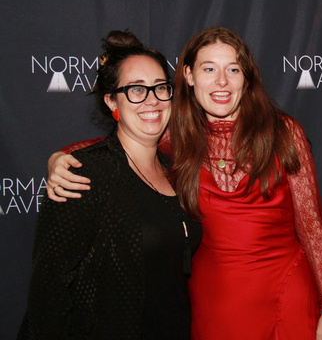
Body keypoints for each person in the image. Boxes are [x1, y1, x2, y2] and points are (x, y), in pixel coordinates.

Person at [45, 27, 322, 340]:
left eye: (233, 69)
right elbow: (112, 144)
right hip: (214, 300)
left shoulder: (283, 131)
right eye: (209, 69)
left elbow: (312, 226)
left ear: (247, 78)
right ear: (189, 75)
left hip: (288, 289)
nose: (221, 81)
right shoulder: (175, 135)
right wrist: (57, 159)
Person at [18, 30, 202, 340]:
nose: (152, 100)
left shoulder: (176, 170)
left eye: (160, 87)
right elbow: (48, 295)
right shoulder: (82, 176)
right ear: (111, 100)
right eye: (135, 90)